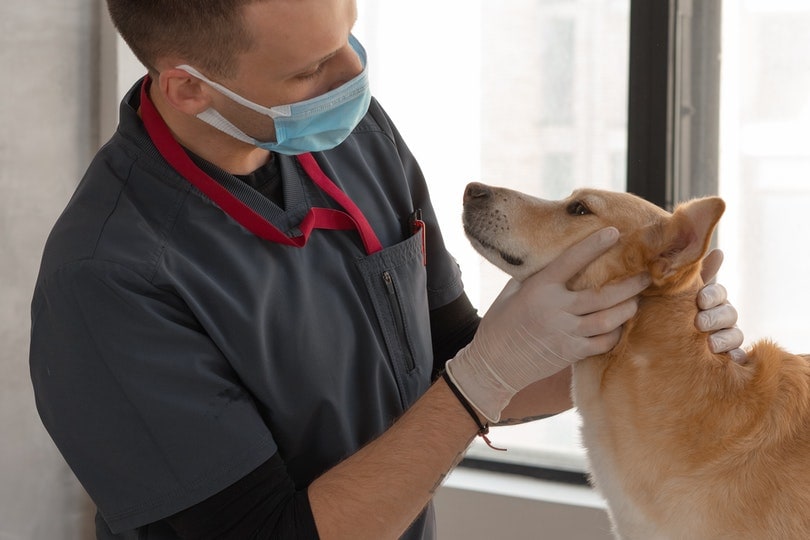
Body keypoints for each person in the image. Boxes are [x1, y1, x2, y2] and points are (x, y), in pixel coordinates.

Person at [29, 1, 744, 538]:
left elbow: (445, 359)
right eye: (311, 68)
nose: (352, 79)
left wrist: (649, 335)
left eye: (347, 36)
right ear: (190, 89)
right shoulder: (107, 283)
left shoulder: (353, 138)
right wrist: (481, 379)